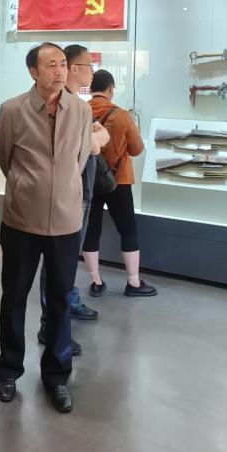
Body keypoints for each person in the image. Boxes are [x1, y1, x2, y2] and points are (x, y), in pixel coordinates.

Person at [0, 43, 92, 413]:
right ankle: (8, 370)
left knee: (61, 299)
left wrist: (61, 188)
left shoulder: (81, 110)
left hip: (66, 221)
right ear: (33, 72)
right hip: (22, 219)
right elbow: (5, 157)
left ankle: (57, 376)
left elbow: (80, 158)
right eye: (51, 65)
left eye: (63, 64)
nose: (60, 71)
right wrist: (28, 186)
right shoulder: (12, 110)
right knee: (14, 296)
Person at [36, 44, 107, 352]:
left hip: (81, 192)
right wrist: (96, 137)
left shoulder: (79, 106)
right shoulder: (54, 106)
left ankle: (67, 304)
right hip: (64, 196)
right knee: (56, 261)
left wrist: (95, 136)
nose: (91, 72)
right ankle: (50, 325)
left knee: (67, 259)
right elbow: (90, 144)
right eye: (88, 66)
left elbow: (91, 139)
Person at [85, 69, 156, 297]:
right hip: (119, 180)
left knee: (91, 230)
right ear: (111, 89)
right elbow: (136, 149)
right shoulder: (122, 115)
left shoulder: (80, 112)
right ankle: (133, 283)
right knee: (127, 230)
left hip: (88, 179)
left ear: (91, 88)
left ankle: (95, 281)